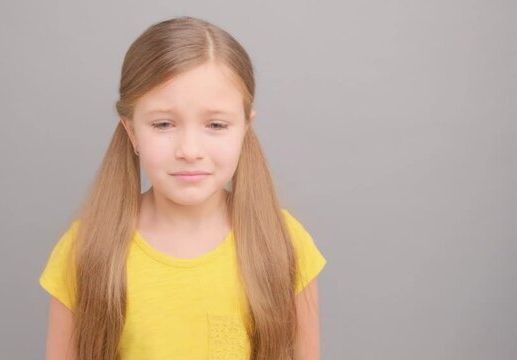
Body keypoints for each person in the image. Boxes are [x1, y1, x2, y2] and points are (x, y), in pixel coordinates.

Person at [38, 15, 327, 360]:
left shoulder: (284, 245)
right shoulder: (84, 251)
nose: (189, 150)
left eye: (216, 124)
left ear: (245, 128)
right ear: (131, 131)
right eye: (163, 124)